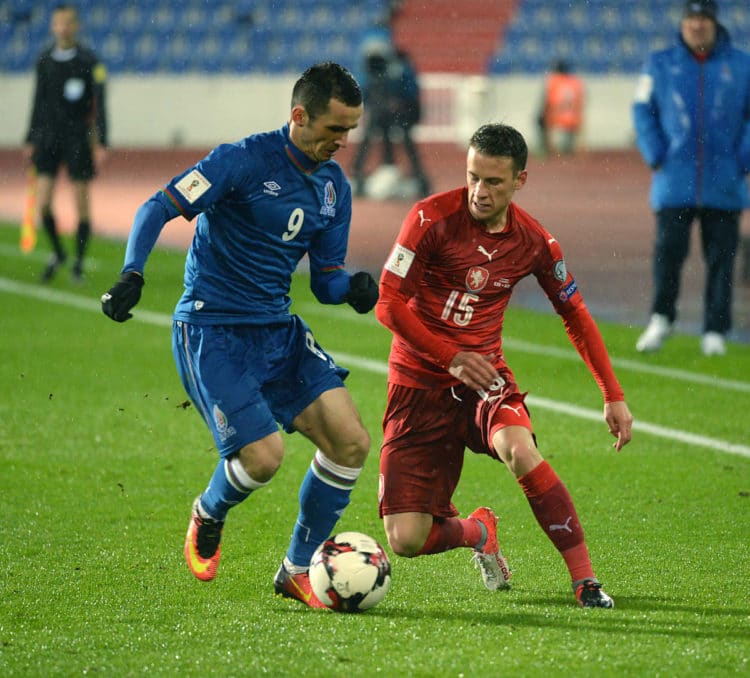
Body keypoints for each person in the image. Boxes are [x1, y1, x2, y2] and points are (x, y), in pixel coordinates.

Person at [101, 62, 379, 609]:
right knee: (264, 458)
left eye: (350, 131)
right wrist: (133, 271)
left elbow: (324, 282)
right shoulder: (242, 160)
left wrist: (353, 287)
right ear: (299, 116)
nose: (343, 142)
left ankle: (296, 570)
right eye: (334, 130)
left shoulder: (332, 187)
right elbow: (159, 205)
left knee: (350, 443)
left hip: (277, 329)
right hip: (213, 329)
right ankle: (209, 509)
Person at [374, 123, 633, 608]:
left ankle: (585, 581)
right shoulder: (429, 218)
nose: (479, 191)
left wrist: (612, 392)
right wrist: (450, 357)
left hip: (486, 381)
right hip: (417, 384)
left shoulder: (534, 241)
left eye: (494, 181)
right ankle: (478, 531)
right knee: (405, 539)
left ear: (520, 180)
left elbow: (573, 312)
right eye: (473, 177)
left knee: (518, 448)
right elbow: (387, 303)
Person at [633, 0, 750, 356]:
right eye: (691, 19)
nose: (696, 25)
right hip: (674, 179)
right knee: (668, 253)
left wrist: (742, 158)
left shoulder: (742, 65)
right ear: (683, 23)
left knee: (722, 258)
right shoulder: (660, 63)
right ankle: (661, 317)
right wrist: (655, 154)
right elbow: (642, 110)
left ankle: (715, 329)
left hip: (724, 180)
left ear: (714, 23)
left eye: (703, 19)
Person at [23, 3, 108, 283]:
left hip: (77, 138)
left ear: (76, 26)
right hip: (48, 137)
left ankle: (78, 265)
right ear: (53, 26)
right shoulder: (44, 59)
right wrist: (30, 137)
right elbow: (38, 99)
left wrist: (101, 140)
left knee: (81, 202)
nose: (63, 27)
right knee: (43, 204)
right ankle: (59, 252)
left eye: (68, 22)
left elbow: (100, 103)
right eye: (59, 22)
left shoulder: (88, 60)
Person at [351, 45, 431, 199]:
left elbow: (407, 92)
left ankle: (368, 170)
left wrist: (394, 104)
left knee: (393, 138)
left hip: (403, 110)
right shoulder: (398, 70)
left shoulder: (398, 71)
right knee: (394, 138)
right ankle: (396, 170)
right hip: (395, 111)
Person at [536, 59, 584, 156]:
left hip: (557, 118)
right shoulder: (575, 82)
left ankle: (546, 147)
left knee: (540, 119)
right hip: (573, 119)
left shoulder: (554, 81)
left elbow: (549, 104)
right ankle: (569, 146)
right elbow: (580, 105)